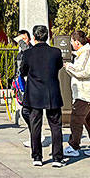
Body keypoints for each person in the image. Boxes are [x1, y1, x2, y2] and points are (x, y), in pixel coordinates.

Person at [19, 25, 65, 167]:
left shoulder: (28, 54)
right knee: (56, 126)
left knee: (35, 126)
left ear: (34, 37)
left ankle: (37, 157)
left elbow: (23, 71)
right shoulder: (56, 52)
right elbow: (58, 67)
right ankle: (57, 158)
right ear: (47, 36)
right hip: (52, 92)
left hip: (34, 93)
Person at [62, 31, 90, 158]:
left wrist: (68, 66)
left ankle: (74, 146)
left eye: (71, 41)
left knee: (76, 120)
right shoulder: (82, 54)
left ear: (77, 42)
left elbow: (83, 71)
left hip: (84, 94)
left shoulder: (87, 54)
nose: (70, 44)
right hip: (87, 94)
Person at [13, 30, 31, 128]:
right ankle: (33, 132)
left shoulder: (30, 50)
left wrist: (20, 41)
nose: (22, 41)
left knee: (27, 111)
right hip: (21, 82)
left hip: (30, 82)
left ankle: (35, 132)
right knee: (25, 109)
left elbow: (28, 50)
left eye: (24, 39)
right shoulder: (20, 52)